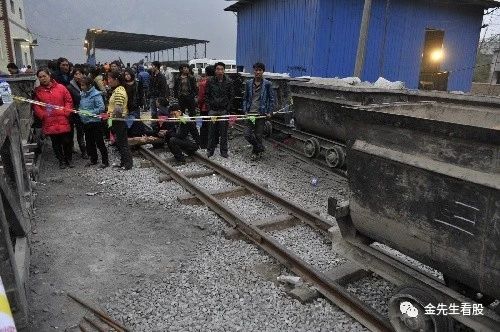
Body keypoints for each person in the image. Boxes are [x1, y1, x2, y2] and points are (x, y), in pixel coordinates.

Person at [33, 68, 74, 169]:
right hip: (49, 120)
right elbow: (36, 106)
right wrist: (43, 115)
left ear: (49, 75)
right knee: (55, 143)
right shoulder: (38, 92)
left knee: (67, 141)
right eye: (40, 77)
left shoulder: (61, 87)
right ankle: (61, 160)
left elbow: (68, 100)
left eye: (44, 76)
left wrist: (66, 112)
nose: (43, 79)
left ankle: (68, 159)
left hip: (62, 118)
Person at [243, 62, 275, 159]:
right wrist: (245, 110)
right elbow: (245, 98)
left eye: (260, 70)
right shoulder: (248, 83)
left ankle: (255, 153)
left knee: (258, 134)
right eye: (256, 70)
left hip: (261, 113)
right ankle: (260, 147)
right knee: (247, 134)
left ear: (263, 71)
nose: (257, 72)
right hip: (250, 114)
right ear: (254, 71)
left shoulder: (267, 84)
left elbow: (271, 99)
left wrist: (269, 112)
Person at [206, 62, 234, 158]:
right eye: (218, 69)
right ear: (215, 70)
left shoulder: (229, 82)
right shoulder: (210, 81)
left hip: (223, 110)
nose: (220, 71)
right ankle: (210, 150)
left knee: (224, 132)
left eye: (222, 69)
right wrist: (209, 107)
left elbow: (231, 96)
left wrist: (227, 108)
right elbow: (207, 95)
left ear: (224, 70)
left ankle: (224, 151)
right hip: (213, 110)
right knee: (211, 132)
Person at [79, 76, 109, 168]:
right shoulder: (83, 94)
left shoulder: (96, 94)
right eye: (81, 85)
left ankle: (105, 161)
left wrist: (89, 113)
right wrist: (80, 112)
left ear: (89, 85)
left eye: (83, 85)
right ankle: (93, 159)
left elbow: (101, 108)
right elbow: (81, 106)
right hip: (86, 122)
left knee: (99, 142)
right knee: (89, 142)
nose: (81, 87)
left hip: (95, 122)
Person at [107, 70, 133, 170]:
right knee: (121, 142)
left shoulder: (119, 91)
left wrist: (109, 116)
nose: (108, 81)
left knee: (123, 143)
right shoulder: (118, 89)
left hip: (119, 120)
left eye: (110, 78)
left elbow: (118, 109)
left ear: (116, 80)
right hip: (117, 120)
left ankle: (127, 164)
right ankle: (123, 162)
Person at [66, 67, 88, 159]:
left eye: (80, 74)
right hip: (74, 113)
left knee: (84, 132)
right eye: (76, 74)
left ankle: (86, 150)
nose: (78, 76)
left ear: (83, 74)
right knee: (75, 132)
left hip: (85, 112)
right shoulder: (69, 87)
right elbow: (69, 101)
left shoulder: (87, 84)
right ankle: (77, 149)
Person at [197, 65, 214, 149]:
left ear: (206, 72)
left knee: (204, 126)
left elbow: (200, 98)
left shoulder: (203, 83)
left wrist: (199, 106)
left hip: (204, 107)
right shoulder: (216, 82)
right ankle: (213, 143)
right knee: (213, 125)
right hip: (214, 108)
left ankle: (203, 144)